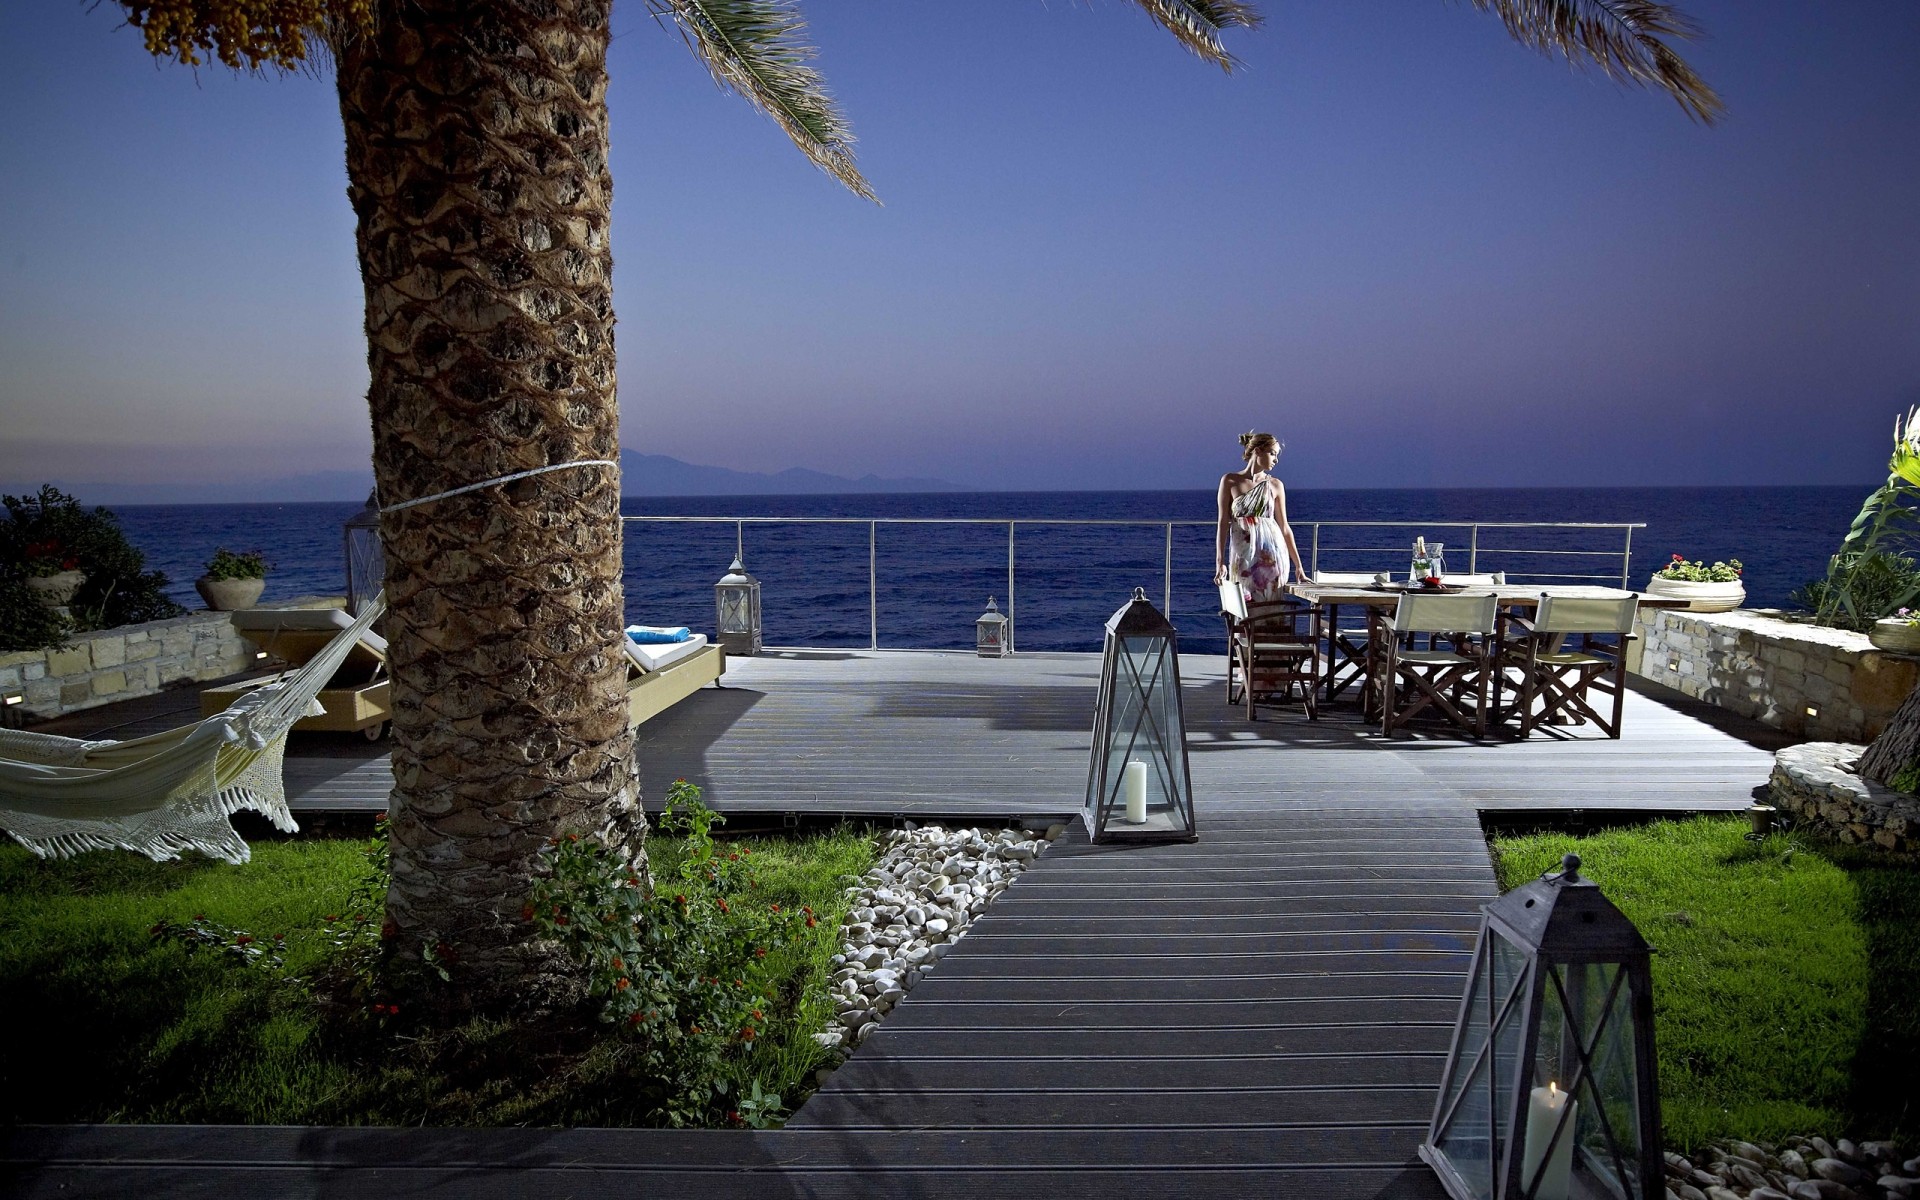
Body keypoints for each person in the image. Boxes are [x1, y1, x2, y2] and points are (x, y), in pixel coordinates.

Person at [1214, 430, 1307, 603]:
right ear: (1257, 451)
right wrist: (1219, 562)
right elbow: (1222, 523)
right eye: (1272, 453)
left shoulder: (1276, 485)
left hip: (1272, 556)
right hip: (1243, 555)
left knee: (1270, 609)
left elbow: (1285, 528)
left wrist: (1299, 567)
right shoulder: (1230, 481)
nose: (1276, 460)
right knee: (1244, 606)